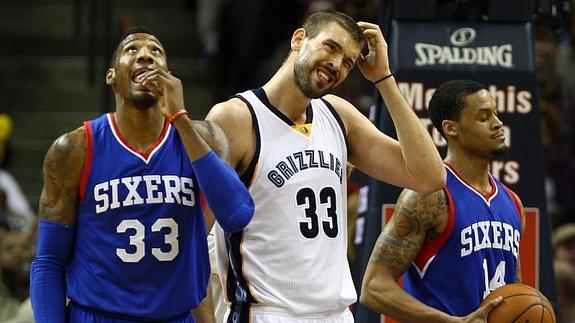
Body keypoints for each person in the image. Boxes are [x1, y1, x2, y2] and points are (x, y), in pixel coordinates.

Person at [206, 10, 445, 322]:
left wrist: (384, 79)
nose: (337, 65)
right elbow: (198, 230)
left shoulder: (337, 114)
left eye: (348, 61)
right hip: (269, 312)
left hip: (335, 313)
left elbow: (428, 176)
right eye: (331, 47)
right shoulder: (235, 118)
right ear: (299, 39)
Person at [29, 26, 255, 323]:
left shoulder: (204, 139)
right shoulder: (75, 148)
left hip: (175, 315)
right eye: (132, 50)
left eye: (156, 52)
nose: (145, 56)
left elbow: (237, 214)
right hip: (99, 315)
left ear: (170, 76)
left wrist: (180, 119)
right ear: (111, 76)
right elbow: (48, 261)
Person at [360, 79, 526, 322]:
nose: (498, 123)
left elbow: (515, 292)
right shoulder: (429, 195)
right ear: (451, 128)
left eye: (496, 114)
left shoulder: (513, 202)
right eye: (484, 117)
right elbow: (373, 288)